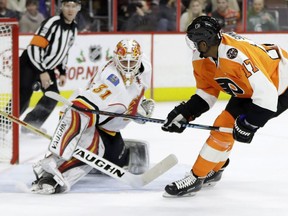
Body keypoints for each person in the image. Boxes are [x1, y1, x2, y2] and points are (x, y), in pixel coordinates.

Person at [161, 15, 288, 197]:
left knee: (225, 127)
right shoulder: (201, 56)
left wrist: (250, 124)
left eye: (195, 41)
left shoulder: (236, 56)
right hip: (252, 88)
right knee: (225, 127)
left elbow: (267, 95)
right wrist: (185, 112)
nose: (194, 46)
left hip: (280, 87)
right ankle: (216, 169)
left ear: (204, 42)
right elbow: (207, 91)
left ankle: (196, 178)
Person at [29, 39, 154, 194]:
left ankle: (60, 161)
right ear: (116, 59)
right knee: (92, 152)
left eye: (132, 62)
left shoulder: (145, 68)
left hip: (109, 128)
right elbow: (81, 107)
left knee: (117, 160)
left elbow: (132, 96)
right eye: (124, 62)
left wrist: (139, 109)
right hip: (90, 123)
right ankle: (53, 176)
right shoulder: (112, 82)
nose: (128, 66)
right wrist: (60, 148)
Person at [20, 0, 80, 134]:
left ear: (78, 9)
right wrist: (41, 71)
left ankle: (30, 126)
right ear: (62, 7)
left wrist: (62, 72)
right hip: (30, 64)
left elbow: (64, 51)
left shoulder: (74, 28)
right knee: (23, 98)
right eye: (67, 6)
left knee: (52, 97)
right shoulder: (52, 22)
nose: (70, 10)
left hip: (46, 68)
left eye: (73, 6)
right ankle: (2, 126)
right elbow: (34, 47)